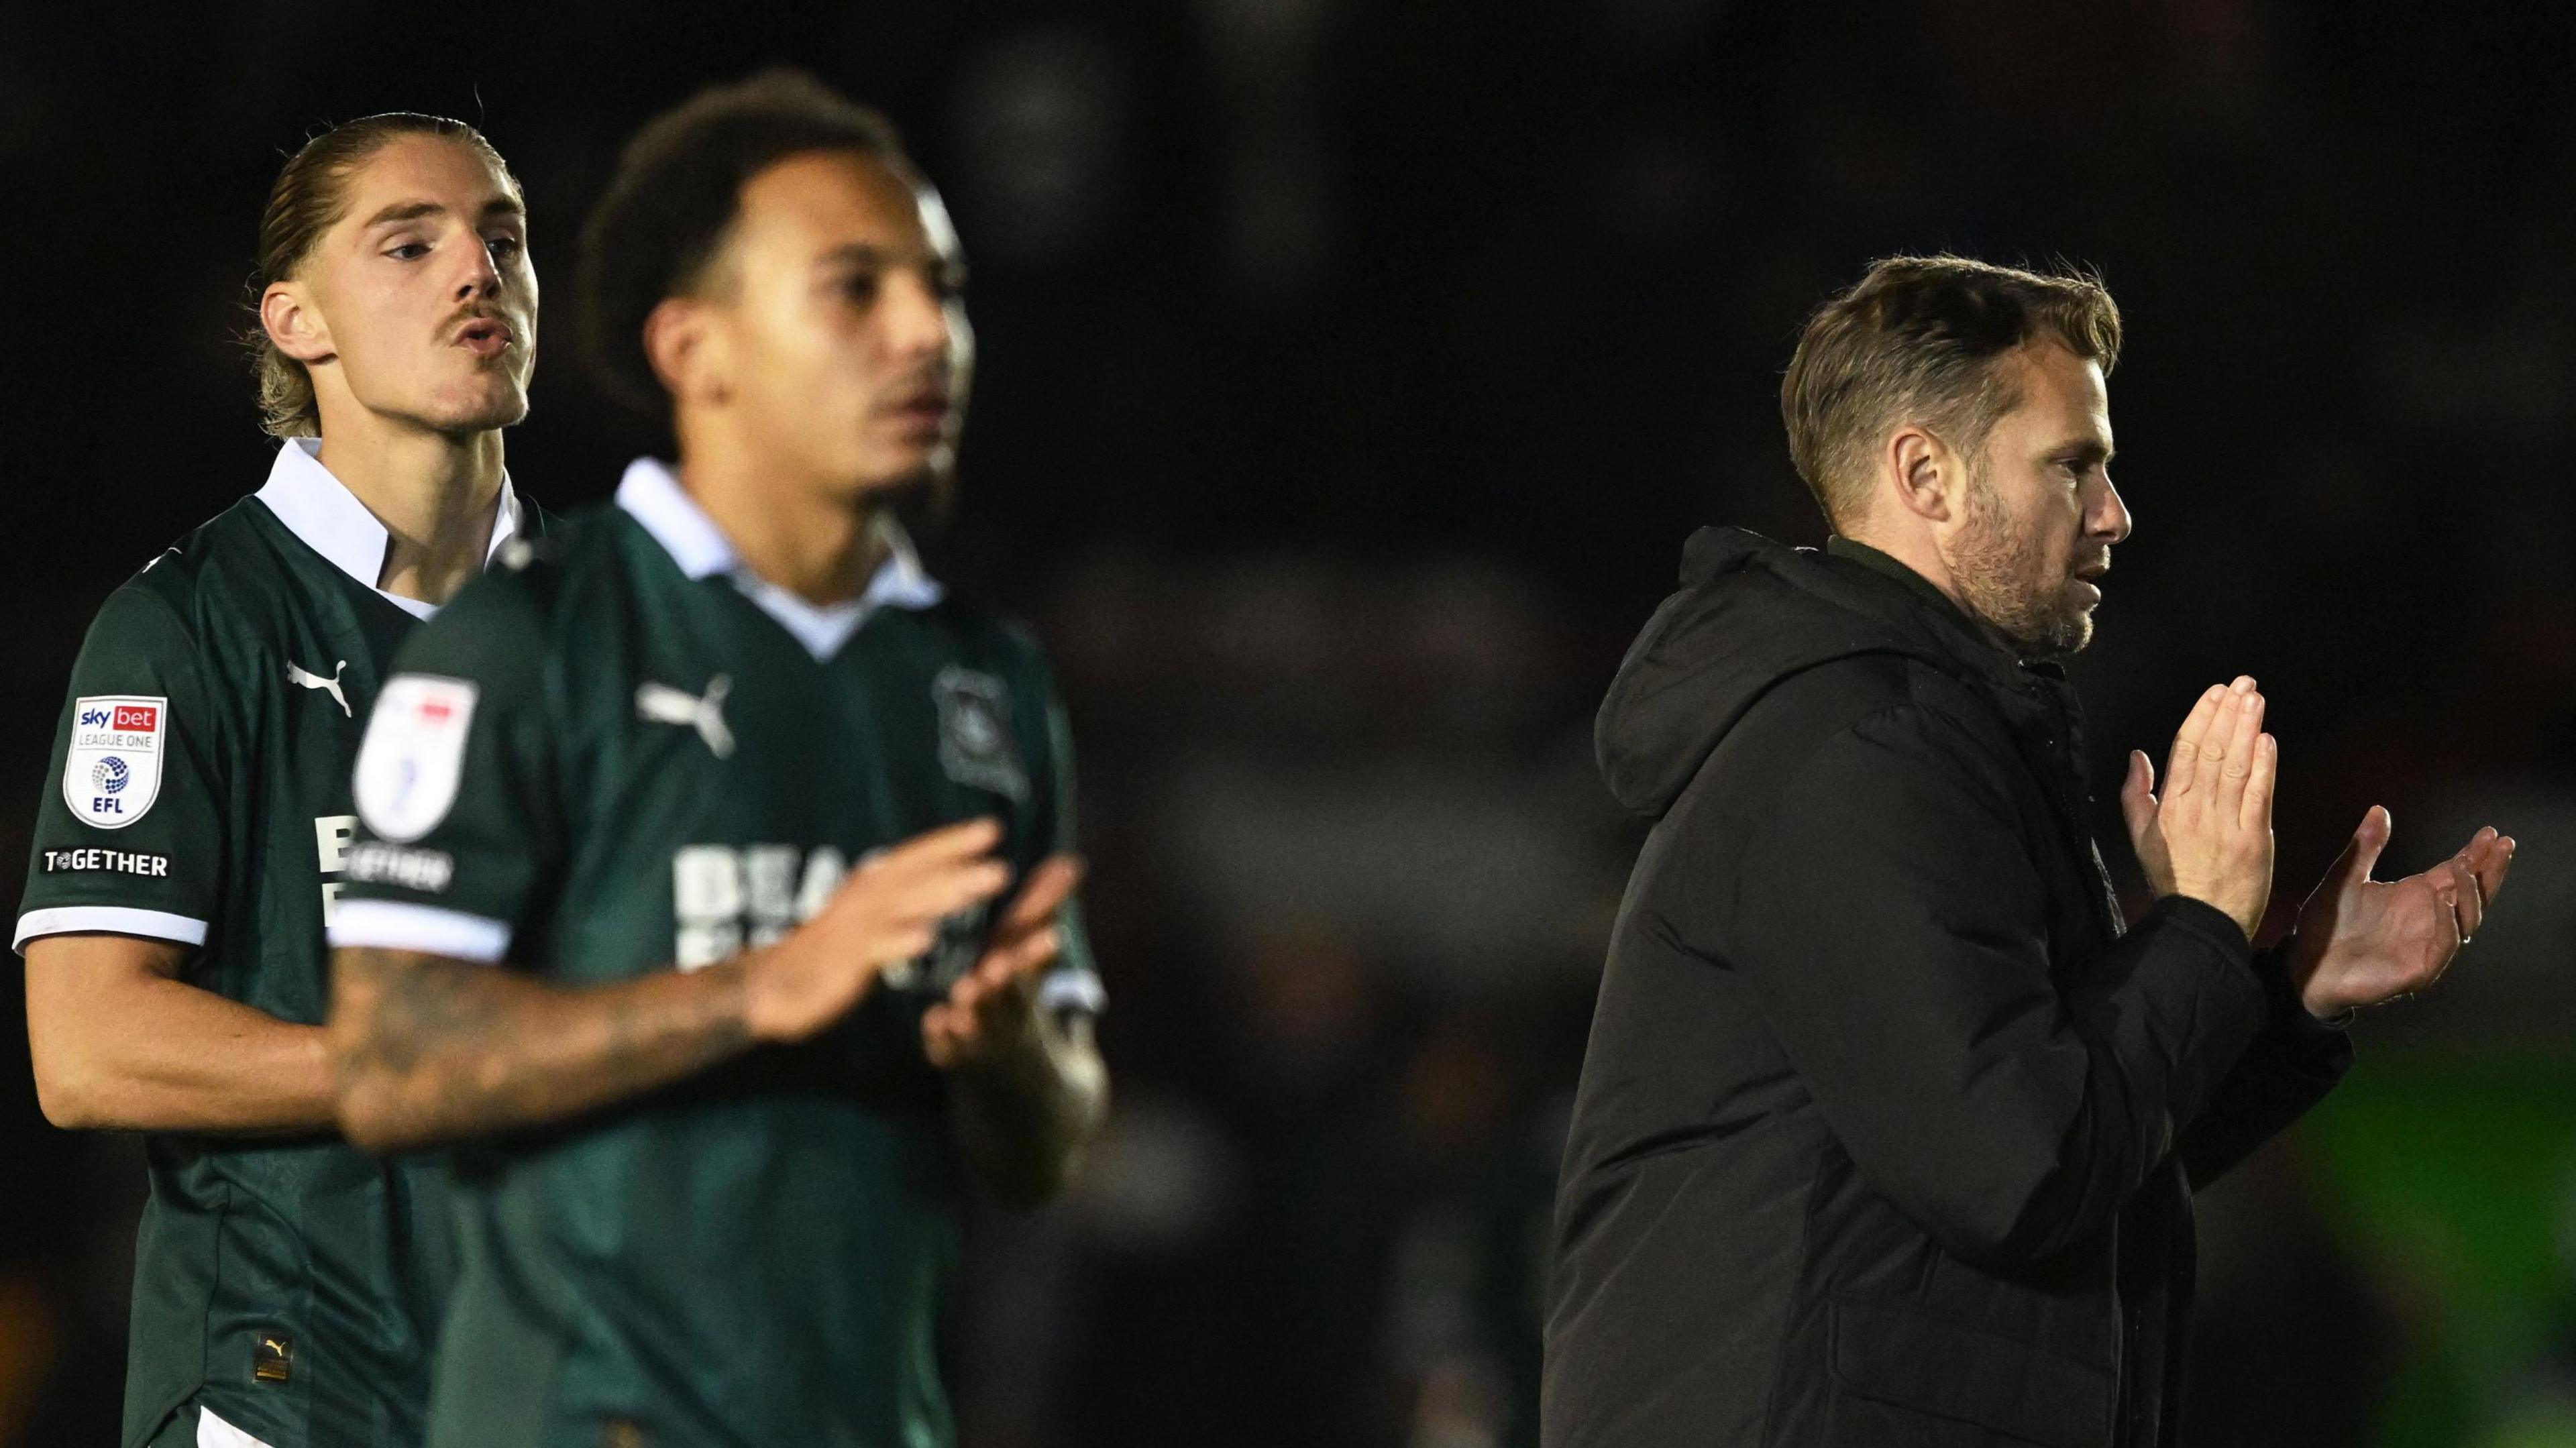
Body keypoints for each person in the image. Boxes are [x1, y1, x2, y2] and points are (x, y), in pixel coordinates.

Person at [1542, 255, 2516, 1448]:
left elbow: (2095, 1147)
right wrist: (2199, 925)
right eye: (2072, 465)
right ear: (1926, 475)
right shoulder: (1857, 751)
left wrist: (2287, 982)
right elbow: (2024, 1174)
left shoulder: (1923, 735)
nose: (2113, 512)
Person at [321, 71, 1110, 1448]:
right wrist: (764, 986)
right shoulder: (530, 640)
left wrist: (1011, 1056)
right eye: (855, 289)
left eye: (944, 290)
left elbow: (1048, 1149)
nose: (926, 333)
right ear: (698, 349)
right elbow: (390, 1065)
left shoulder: (987, 684)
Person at [17, 113, 542, 1448]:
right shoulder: (189, 627)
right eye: (409, 245)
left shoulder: (621, 634)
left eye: (503, 238)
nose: (476, 271)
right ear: (297, 321)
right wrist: (423, 1069)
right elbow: (86, 1047)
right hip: (286, 1402)